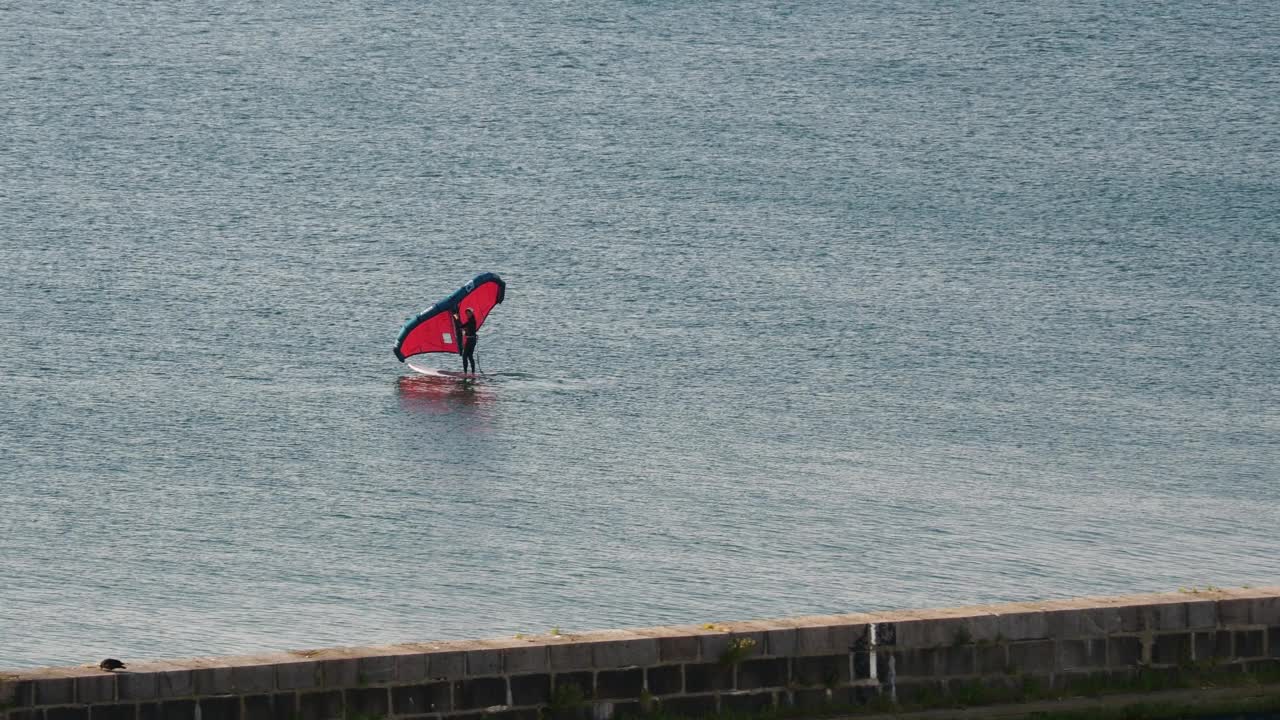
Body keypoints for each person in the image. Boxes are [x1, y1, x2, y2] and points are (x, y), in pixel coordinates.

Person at [454, 307, 478, 374]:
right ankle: (472, 372)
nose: (468, 314)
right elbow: (463, 326)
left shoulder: (472, 321)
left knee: (465, 356)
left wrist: (456, 317)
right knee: (470, 355)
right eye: (467, 313)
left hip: (471, 340)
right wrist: (464, 329)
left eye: (469, 313)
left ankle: (465, 373)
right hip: (472, 340)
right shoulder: (470, 320)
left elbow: (462, 326)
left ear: (472, 313)